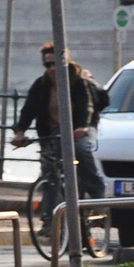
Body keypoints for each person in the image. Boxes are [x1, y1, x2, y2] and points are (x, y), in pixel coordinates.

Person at [12, 42, 104, 201]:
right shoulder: (41, 85)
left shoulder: (78, 82)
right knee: (49, 169)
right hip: (54, 130)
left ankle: (98, 197)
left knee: (81, 150)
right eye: (48, 65)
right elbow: (28, 110)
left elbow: (86, 106)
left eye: (56, 64)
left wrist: (82, 127)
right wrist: (20, 132)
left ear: (65, 63)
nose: (53, 68)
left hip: (81, 128)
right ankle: (49, 220)